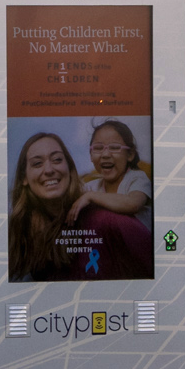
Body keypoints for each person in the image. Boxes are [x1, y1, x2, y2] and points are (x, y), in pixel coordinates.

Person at [7, 130, 94, 282]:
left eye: (57, 160)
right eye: (37, 163)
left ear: (70, 168)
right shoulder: (12, 230)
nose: (48, 170)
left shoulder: (96, 218)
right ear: (24, 178)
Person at [74, 118, 155, 279]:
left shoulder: (137, 179)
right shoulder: (91, 186)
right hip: (108, 256)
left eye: (114, 148)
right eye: (98, 148)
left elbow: (133, 203)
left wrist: (91, 197)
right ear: (90, 154)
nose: (105, 154)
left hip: (137, 256)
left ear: (130, 154)